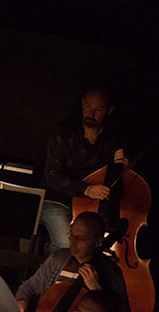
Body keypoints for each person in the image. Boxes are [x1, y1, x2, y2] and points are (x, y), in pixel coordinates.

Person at [40, 87, 128, 253]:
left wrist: (125, 161)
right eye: (88, 107)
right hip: (57, 199)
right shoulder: (64, 131)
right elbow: (52, 176)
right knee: (67, 245)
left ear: (109, 111)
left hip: (90, 207)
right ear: (82, 103)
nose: (91, 113)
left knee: (92, 246)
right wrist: (86, 189)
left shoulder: (113, 137)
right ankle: (55, 278)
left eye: (99, 109)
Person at [16, 210, 133, 312]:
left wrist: (97, 290)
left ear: (98, 242)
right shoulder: (59, 258)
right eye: (71, 235)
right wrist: (21, 302)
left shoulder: (111, 271)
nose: (73, 242)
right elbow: (30, 286)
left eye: (80, 238)